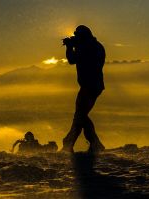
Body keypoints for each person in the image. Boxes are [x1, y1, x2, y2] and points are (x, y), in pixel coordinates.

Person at [61, 25, 106, 153]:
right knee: (81, 116)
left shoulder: (88, 47)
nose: (75, 37)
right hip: (94, 86)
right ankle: (89, 143)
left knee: (80, 115)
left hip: (89, 86)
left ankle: (72, 143)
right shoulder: (95, 46)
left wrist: (70, 47)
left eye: (77, 35)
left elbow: (71, 59)